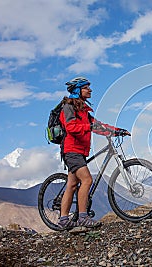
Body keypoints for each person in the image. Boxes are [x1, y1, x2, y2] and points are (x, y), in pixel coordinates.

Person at [58, 77, 130, 230]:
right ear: (77, 90)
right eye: (86, 88)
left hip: (79, 151)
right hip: (71, 150)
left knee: (72, 185)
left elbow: (97, 126)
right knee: (87, 180)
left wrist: (116, 131)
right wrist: (88, 126)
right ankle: (83, 217)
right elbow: (71, 127)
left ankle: (64, 220)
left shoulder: (83, 110)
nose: (90, 90)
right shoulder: (68, 107)